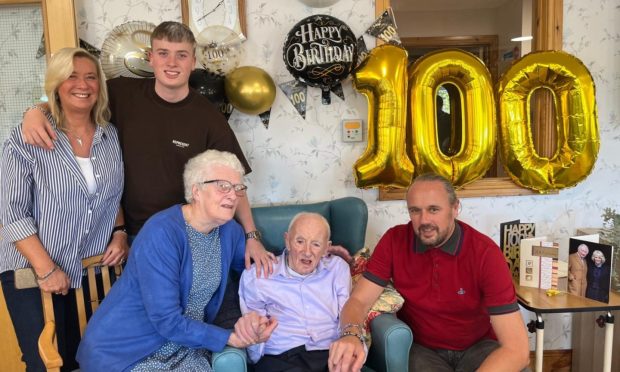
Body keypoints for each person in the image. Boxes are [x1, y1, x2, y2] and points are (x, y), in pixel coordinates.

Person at [21, 21, 274, 275]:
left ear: (193, 61)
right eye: (163, 53)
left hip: (184, 238)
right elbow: (75, 96)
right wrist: (35, 110)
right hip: (124, 239)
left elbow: (233, 182)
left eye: (181, 55)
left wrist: (251, 235)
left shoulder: (209, 118)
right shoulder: (120, 94)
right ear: (151, 57)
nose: (172, 63)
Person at [76, 150, 277, 371]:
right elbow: (166, 320)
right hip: (129, 351)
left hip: (185, 348)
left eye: (238, 188)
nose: (233, 195)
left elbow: (257, 275)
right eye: (223, 186)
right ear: (196, 191)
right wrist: (229, 337)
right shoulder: (161, 233)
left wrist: (314, 254)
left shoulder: (229, 231)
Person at [0, 47, 125, 371]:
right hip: (31, 268)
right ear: (56, 83)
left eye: (90, 76)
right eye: (71, 76)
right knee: (45, 362)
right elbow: (11, 213)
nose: (82, 84)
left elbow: (111, 198)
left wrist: (120, 233)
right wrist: (46, 269)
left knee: (82, 358)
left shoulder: (109, 136)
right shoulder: (27, 136)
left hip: (88, 268)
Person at [328, 173, 530, 372]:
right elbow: (359, 301)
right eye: (415, 210)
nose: (424, 220)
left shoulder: (485, 253)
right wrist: (351, 334)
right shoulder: (394, 240)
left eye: (434, 209)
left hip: (478, 347)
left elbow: (517, 350)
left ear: (455, 208)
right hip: (422, 350)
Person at [239, 212, 352, 372]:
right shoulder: (257, 275)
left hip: (331, 353)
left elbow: (348, 317)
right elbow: (254, 336)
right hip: (282, 358)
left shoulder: (338, 269)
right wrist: (256, 331)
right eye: (300, 241)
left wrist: (349, 353)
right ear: (287, 240)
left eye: (316, 244)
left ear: (327, 248)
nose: (307, 252)